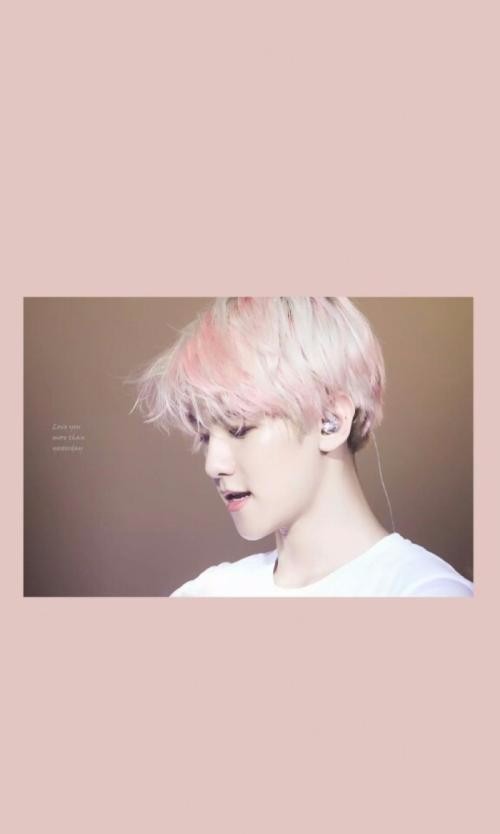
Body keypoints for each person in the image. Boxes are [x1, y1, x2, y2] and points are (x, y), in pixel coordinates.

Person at [129, 297, 473, 597]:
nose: (213, 465)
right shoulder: (207, 594)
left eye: (239, 428)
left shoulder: (424, 593)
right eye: (206, 437)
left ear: (330, 420)